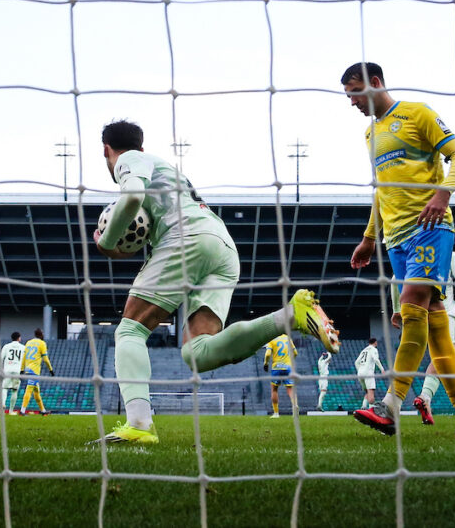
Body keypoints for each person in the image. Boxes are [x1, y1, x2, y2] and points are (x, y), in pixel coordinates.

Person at [92, 120, 340, 444]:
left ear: (107, 150)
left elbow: (132, 197)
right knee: (197, 353)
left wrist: (106, 241)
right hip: (221, 244)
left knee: (130, 330)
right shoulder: (166, 171)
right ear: (141, 144)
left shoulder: (129, 159)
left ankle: (139, 424)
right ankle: (291, 315)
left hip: (186, 237)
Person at [343, 62, 455, 437]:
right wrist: (370, 238)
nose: (352, 102)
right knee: (434, 323)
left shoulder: (417, 113)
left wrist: (443, 193)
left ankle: (389, 406)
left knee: (411, 306)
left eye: (355, 93)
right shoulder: (370, 134)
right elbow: (381, 190)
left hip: (430, 228)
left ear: (374, 83)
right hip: (395, 239)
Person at [396, 252, 455, 424]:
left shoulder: (415, 250)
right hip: (442, 311)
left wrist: (396, 310)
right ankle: (425, 397)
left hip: (418, 310)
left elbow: (395, 279)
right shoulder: (447, 251)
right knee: (444, 354)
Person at [263, 334, 297, 418]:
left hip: (276, 368)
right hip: (288, 367)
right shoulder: (288, 338)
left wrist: (266, 364)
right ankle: (295, 406)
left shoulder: (272, 339)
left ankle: (276, 413)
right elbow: (295, 353)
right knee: (290, 389)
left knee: (274, 390)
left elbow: (268, 354)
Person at [20, 328, 52, 415]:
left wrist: (22, 369)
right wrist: (51, 370)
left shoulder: (28, 342)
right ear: (41, 334)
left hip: (28, 368)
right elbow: (45, 359)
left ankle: (43, 411)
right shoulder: (42, 343)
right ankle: (22, 411)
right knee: (29, 389)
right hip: (34, 370)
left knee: (36, 391)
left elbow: (24, 357)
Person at [355, 338, 386, 410]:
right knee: (371, 392)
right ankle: (371, 409)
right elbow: (376, 359)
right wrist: (382, 369)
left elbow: (356, 362)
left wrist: (359, 370)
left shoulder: (364, 350)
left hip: (360, 373)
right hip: (368, 373)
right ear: (375, 342)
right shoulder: (373, 349)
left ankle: (363, 406)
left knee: (367, 391)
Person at [0, 331, 25, 415]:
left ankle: (3, 404)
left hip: (7, 370)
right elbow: (25, 360)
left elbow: (1, 358)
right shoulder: (23, 348)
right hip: (17, 370)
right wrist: (23, 370)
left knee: (4, 388)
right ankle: (11, 411)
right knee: (14, 390)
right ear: (19, 338)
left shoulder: (6, 346)